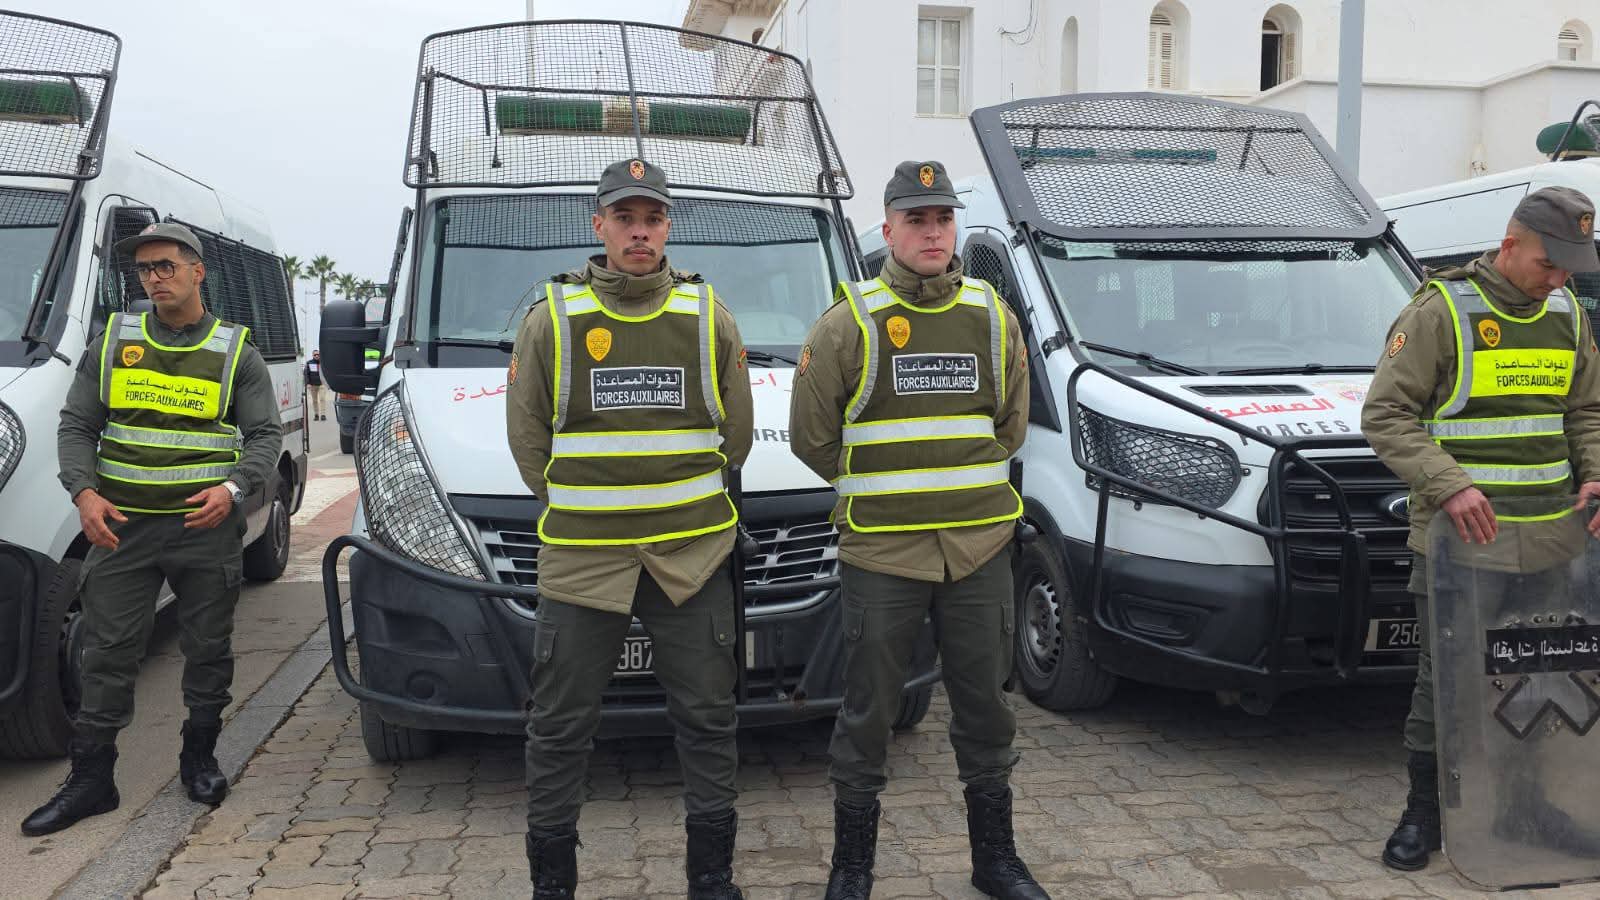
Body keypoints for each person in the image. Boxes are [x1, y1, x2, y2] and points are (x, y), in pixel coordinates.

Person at [789, 161, 1047, 900]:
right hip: (883, 553)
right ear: (889, 227)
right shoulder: (848, 322)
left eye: (943, 219)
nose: (933, 233)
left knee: (986, 707)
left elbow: (1010, 426)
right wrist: (886, 486)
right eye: (917, 220)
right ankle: (852, 868)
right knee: (869, 711)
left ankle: (996, 860)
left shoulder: (993, 317)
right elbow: (811, 437)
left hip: (979, 549)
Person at [504, 158, 753, 900]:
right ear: (600, 226)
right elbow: (528, 441)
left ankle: (711, 879)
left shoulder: (709, 315)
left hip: (691, 557)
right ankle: (553, 884)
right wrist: (592, 507)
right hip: (584, 562)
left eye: (651, 219)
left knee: (708, 720)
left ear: (668, 227)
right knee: (559, 726)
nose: (639, 233)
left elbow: (736, 436)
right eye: (624, 219)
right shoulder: (553, 319)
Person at [1362, 186, 1600, 871]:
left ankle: (1526, 810)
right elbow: (1385, 415)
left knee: (1535, 679)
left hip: (1552, 539)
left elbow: (1586, 411)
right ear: (1509, 245)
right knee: (1446, 683)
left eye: (1570, 267)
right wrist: (1451, 484)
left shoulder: (1568, 315)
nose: (1558, 278)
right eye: (1548, 263)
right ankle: (1423, 814)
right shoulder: (1442, 311)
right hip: (1459, 545)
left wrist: (1595, 471)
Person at [23, 223, 283, 836]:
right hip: (123, 529)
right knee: (106, 651)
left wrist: (233, 489)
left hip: (204, 531)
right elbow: (77, 425)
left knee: (208, 649)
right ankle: (92, 780)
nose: (154, 278)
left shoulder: (235, 351)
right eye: (144, 269)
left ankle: (199, 759)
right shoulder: (115, 341)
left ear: (197, 272)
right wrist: (83, 492)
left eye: (165, 265)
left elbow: (265, 436)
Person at [305, 349, 325, 420]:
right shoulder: (309, 363)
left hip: (322, 384)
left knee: (322, 399)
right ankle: (316, 414)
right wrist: (308, 383)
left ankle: (323, 415)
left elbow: (327, 373)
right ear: (313, 355)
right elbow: (306, 374)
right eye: (315, 355)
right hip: (312, 385)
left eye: (318, 354)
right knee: (315, 400)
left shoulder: (323, 363)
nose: (317, 356)